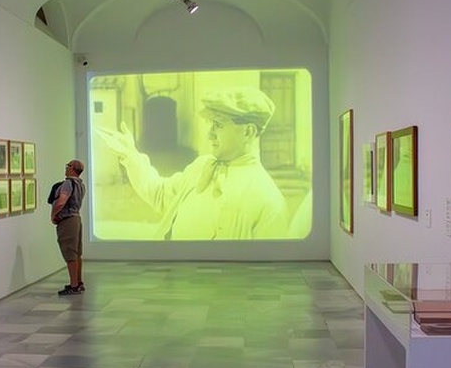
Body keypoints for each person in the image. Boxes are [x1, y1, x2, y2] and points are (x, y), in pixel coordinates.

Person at [96, 87, 288, 239]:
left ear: (248, 132)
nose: (209, 133)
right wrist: (130, 155)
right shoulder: (202, 165)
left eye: (219, 125)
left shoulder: (268, 202)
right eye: (210, 124)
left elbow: (265, 277)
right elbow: (161, 194)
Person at [51, 159, 86, 295]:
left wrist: (53, 215)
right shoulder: (80, 184)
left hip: (67, 220)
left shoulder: (68, 183)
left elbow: (61, 202)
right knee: (76, 253)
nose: (66, 168)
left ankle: (74, 285)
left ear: (72, 169)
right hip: (76, 218)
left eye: (68, 166)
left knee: (70, 254)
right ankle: (78, 282)